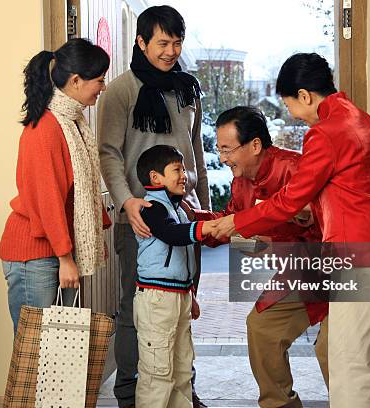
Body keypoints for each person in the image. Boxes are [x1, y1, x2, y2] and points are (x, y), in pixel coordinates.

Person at [212, 53, 370, 408]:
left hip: (361, 261)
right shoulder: (366, 123)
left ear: (305, 95)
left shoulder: (326, 133)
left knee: (349, 368)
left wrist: (237, 223)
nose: (292, 114)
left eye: (290, 104)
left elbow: (291, 200)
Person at [97, 6, 210, 408]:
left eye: (177, 42)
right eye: (163, 43)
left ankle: (183, 392)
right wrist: (126, 202)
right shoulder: (121, 91)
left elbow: (196, 151)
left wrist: (204, 210)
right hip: (140, 215)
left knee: (181, 303)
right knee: (136, 305)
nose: (171, 51)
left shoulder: (187, 88)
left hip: (185, 213)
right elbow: (108, 152)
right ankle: (130, 393)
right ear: (142, 42)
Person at [192, 106, 328, 408]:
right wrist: (191, 224)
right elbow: (230, 220)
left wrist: (285, 229)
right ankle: (279, 404)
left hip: (331, 270)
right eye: (220, 150)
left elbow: (326, 224)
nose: (223, 158)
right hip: (295, 275)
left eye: (228, 150)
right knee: (262, 326)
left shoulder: (297, 169)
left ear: (255, 145)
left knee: (335, 353)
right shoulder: (240, 180)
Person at [0, 38, 112, 335]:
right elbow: (47, 200)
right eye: (99, 80)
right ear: (76, 81)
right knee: (37, 353)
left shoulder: (72, 122)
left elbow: (76, 193)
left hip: (54, 251)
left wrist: (92, 240)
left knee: (57, 357)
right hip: (35, 253)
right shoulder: (46, 128)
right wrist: (65, 257)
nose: (103, 87)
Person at [133, 145, 216, 408]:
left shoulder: (178, 208)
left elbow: (184, 258)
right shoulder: (152, 207)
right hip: (157, 299)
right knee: (158, 372)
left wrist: (190, 294)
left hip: (177, 296)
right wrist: (205, 227)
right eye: (177, 170)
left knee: (182, 368)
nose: (184, 175)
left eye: (183, 169)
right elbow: (171, 234)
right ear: (156, 178)